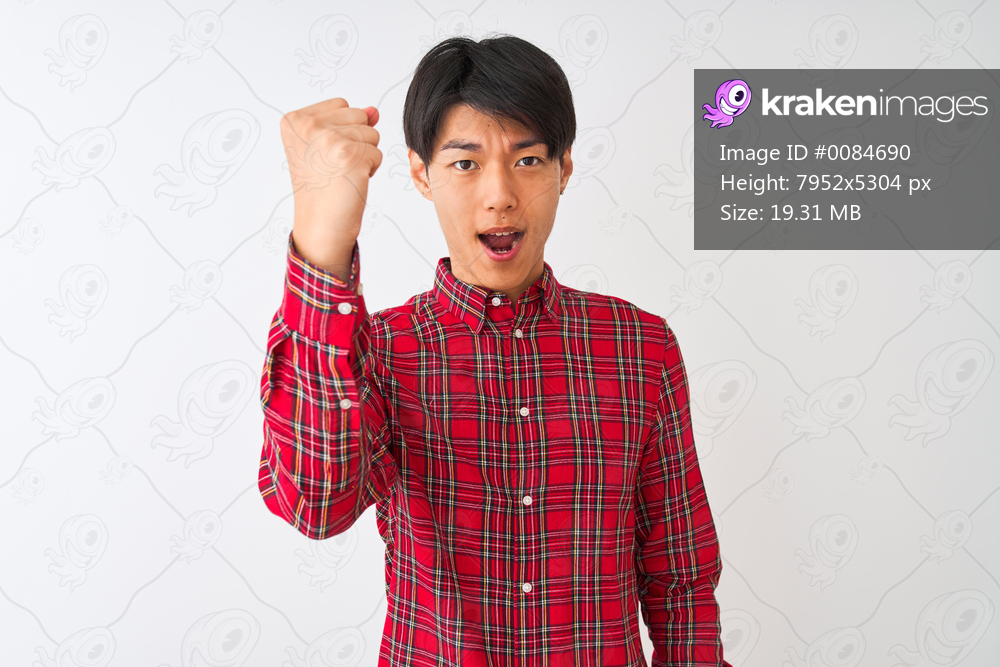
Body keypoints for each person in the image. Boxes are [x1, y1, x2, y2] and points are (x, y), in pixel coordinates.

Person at [258, 33, 732, 667]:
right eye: (465, 162)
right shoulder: (381, 351)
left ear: (564, 168)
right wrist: (322, 242)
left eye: (528, 159)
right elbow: (314, 504)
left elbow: (681, 583)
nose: (500, 194)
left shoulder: (639, 348)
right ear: (421, 173)